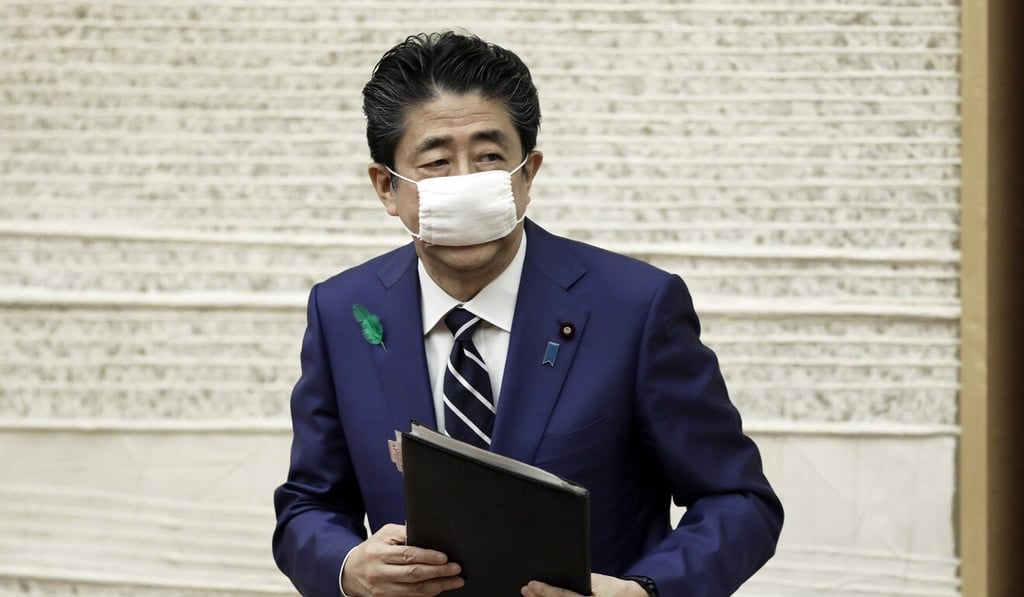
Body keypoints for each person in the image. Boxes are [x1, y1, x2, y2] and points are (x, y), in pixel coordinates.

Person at [272, 31, 783, 597]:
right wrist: (347, 568)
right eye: (437, 161)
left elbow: (738, 501)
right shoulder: (343, 310)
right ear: (386, 187)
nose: (465, 181)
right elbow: (308, 504)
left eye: (489, 157)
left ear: (528, 173)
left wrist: (645, 591)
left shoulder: (635, 308)